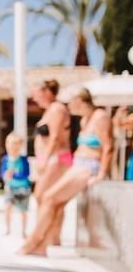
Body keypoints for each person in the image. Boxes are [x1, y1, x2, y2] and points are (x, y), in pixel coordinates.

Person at [19, 88, 113, 256]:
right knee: (55, 203)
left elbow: (108, 147)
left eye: (71, 101)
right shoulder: (86, 120)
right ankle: (41, 247)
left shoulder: (100, 117)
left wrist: (100, 174)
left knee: (49, 197)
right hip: (78, 164)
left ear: (80, 100)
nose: (68, 105)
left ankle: (32, 242)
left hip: (89, 167)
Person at [31, 79, 72, 244]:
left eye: (36, 94)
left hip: (57, 158)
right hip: (51, 159)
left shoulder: (57, 109)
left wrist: (44, 160)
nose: (34, 98)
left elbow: (55, 137)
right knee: (48, 198)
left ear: (47, 92)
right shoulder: (50, 110)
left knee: (44, 196)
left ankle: (49, 236)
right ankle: (51, 235)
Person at [0, 133, 31, 237]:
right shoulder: (6, 159)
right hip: (10, 187)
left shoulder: (23, 159)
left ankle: (23, 231)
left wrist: (14, 175)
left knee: (23, 210)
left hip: (23, 189)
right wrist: (5, 175)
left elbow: (26, 174)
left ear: (20, 147)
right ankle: (7, 229)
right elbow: (2, 171)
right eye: (12, 146)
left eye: (16, 146)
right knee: (7, 208)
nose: (14, 148)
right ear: (7, 146)